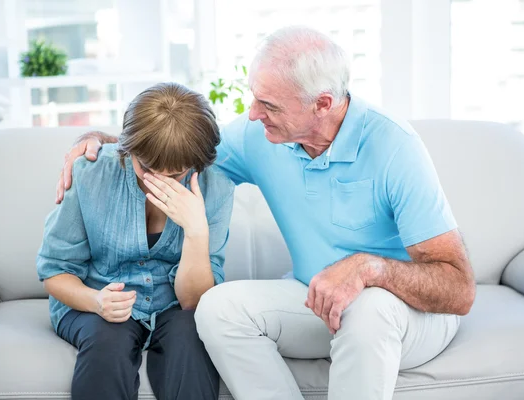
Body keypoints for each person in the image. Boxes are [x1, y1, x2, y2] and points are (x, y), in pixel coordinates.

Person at [56, 26, 475, 400]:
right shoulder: (263, 136)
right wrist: (107, 143)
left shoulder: (395, 147)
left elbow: (459, 290)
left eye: (268, 104)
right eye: (254, 98)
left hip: (406, 316)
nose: (253, 114)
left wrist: (370, 269)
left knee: (368, 309)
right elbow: (176, 149)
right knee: (217, 308)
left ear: (322, 104)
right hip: (317, 299)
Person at [37, 82, 234, 400]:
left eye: (176, 174)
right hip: (96, 298)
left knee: (192, 335)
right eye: (147, 169)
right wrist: (96, 302)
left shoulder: (217, 186)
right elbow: (54, 271)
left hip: (175, 305)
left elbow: (193, 303)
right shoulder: (93, 172)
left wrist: (196, 231)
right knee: (106, 343)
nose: (159, 182)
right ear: (128, 150)